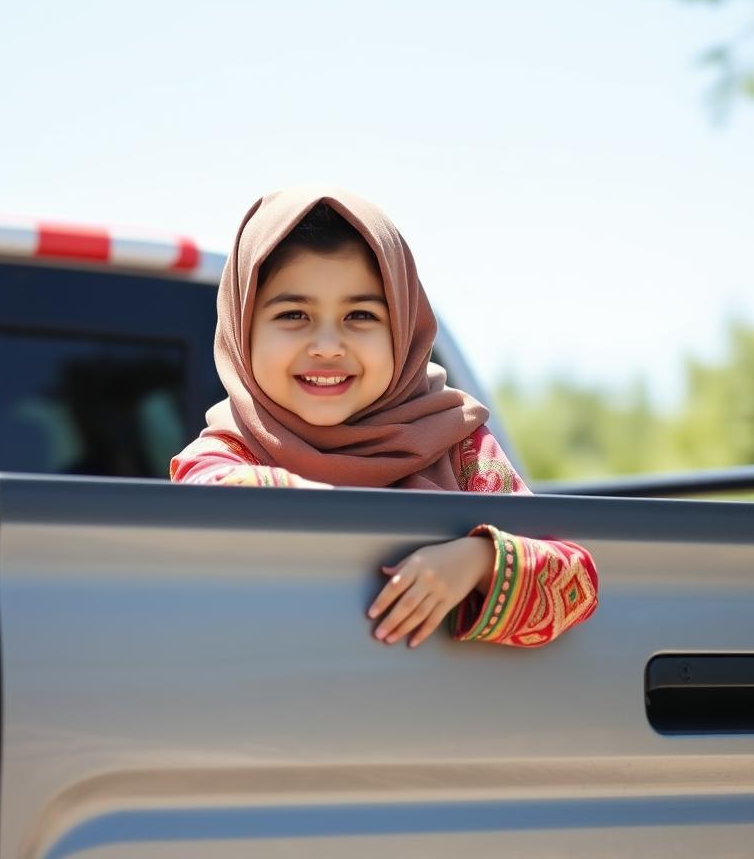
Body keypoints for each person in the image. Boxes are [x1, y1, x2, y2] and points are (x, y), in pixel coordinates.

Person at [171, 188, 599, 649]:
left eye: (360, 315)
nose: (328, 345)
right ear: (241, 329)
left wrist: (479, 560)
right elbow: (211, 505)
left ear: (403, 328)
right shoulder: (227, 452)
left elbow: (573, 581)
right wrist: (341, 512)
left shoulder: (454, 442)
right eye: (294, 314)